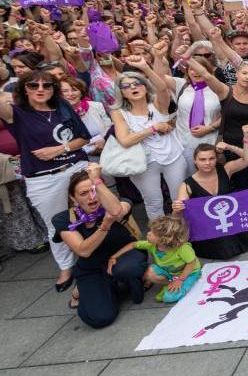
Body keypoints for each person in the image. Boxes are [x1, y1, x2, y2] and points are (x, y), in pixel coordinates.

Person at [0, 69, 91, 291]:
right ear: (23, 89)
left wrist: (59, 149)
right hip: (43, 179)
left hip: (76, 168)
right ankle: (66, 266)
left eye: (46, 85)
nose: (40, 89)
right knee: (56, 224)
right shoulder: (17, 113)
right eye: (33, 85)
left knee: (92, 214)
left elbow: (83, 137)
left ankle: (98, 256)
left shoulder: (62, 107)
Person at [53, 165, 148, 328]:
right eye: (84, 193)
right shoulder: (64, 219)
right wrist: (104, 225)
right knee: (100, 318)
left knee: (126, 269)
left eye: (94, 190)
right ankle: (92, 289)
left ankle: (123, 280)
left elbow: (117, 211)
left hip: (125, 255)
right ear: (73, 198)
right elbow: (84, 250)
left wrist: (97, 181)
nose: (92, 197)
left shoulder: (116, 202)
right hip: (92, 268)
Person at [180, 56, 248, 189]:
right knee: (242, 185)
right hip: (233, 146)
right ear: (237, 74)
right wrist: (188, 58)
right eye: (244, 73)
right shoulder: (225, 91)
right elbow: (206, 75)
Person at [109, 62, 187, 221]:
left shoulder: (158, 103)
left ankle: (183, 235)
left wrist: (145, 68)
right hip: (144, 163)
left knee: (179, 201)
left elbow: (162, 88)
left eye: (137, 83)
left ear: (145, 86)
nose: (133, 87)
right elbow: (125, 140)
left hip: (173, 157)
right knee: (154, 203)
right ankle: (161, 240)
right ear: (122, 92)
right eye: (127, 86)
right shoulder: (119, 112)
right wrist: (153, 128)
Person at [172, 143, 248, 260]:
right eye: (202, 159)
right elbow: (178, 216)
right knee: (224, 248)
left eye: (211, 158)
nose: (207, 163)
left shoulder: (226, 169)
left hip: (231, 218)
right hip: (208, 226)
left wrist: (230, 147)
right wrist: (176, 210)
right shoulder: (186, 185)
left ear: (216, 158)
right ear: (195, 161)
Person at [109, 215, 200, 303]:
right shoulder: (151, 245)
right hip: (170, 273)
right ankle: (171, 282)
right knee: (148, 273)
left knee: (169, 298)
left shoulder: (183, 248)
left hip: (189, 273)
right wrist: (114, 256)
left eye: (152, 233)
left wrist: (180, 280)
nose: (148, 233)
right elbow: (132, 244)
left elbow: (191, 263)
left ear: (164, 239)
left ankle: (189, 280)